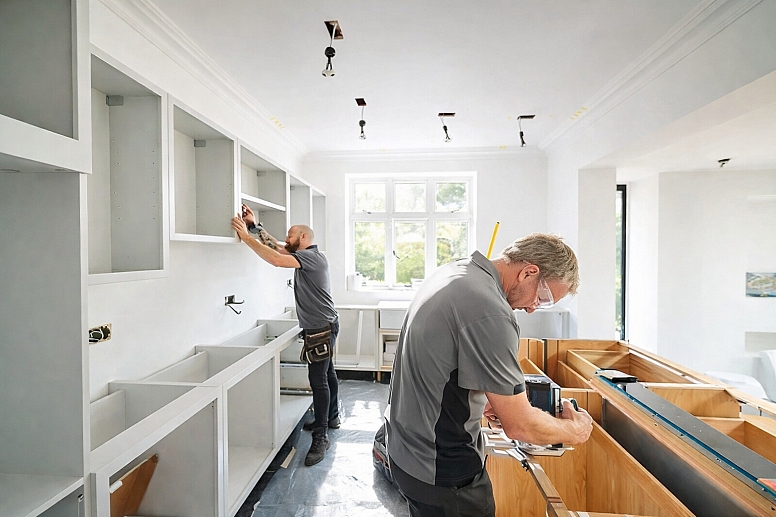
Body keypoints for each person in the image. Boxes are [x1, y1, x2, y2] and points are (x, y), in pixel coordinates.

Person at [387, 233, 594, 517]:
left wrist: (477, 398)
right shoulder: (490, 311)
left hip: (406, 453)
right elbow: (520, 427)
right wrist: (575, 431)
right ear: (528, 272)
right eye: (543, 297)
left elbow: (438, 361)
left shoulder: (456, 272)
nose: (534, 308)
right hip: (444, 473)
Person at [231, 204, 340, 467]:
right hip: (323, 324)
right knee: (327, 374)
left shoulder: (312, 257)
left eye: (290, 235)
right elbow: (279, 248)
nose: (286, 239)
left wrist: (246, 237)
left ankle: (321, 435)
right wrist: (255, 227)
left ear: (303, 238)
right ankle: (332, 416)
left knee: (318, 380)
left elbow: (277, 259)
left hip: (321, 328)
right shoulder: (306, 256)